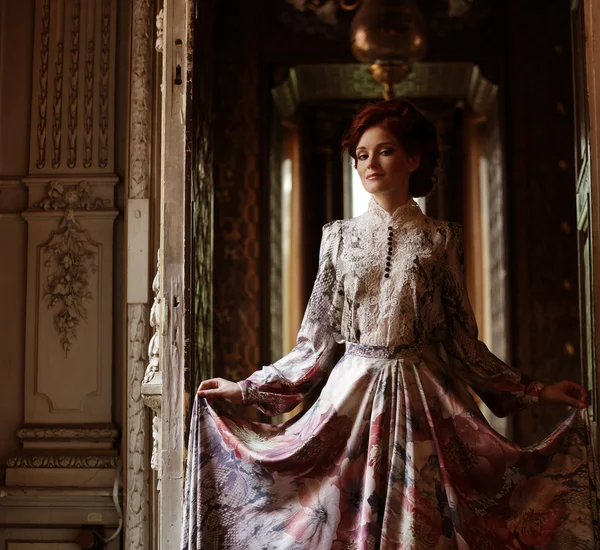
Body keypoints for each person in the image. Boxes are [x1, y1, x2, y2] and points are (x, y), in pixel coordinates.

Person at [182, 99, 599, 549]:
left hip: (425, 401)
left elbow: (463, 343)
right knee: (334, 521)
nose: (370, 163)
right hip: (350, 399)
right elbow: (317, 341)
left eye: (384, 151)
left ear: (413, 159)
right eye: (361, 155)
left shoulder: (441, 239)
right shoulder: (337, 238)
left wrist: (538, 391)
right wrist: (244, 388)